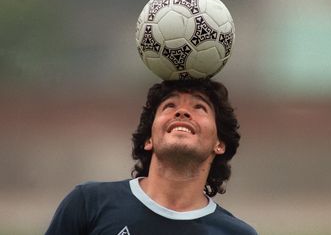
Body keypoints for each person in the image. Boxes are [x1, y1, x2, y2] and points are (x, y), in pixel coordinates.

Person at [46, 79, 257, 235]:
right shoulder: (88, 203)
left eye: (199, 107)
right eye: (170, 106)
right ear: (149, 139)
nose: (182, 112)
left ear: (219, 144)